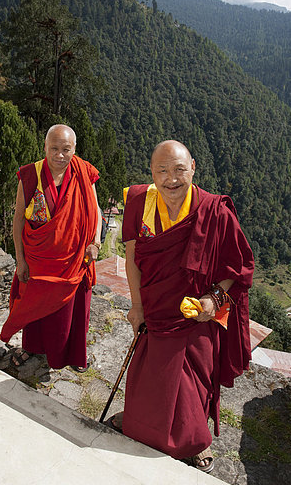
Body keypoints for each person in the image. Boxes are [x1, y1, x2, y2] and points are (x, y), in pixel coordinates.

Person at [106, 140, 254, 473]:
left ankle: (195, 442)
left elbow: (238, 267)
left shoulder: (215, 210)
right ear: (152, 173)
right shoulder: (139, 201)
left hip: (196, 315)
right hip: (156, 308)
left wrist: (213, 300)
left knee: (193, 382)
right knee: (149, 375)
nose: (171, 179)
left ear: (193, 168)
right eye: (162, 171)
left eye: (179, 170)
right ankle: (139, 423)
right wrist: (137, 306)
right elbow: (132, 259)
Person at [0, 124, 102, 372]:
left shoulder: (84, 172)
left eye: (66, 149)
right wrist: (20, 260)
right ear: (45, 147)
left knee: (72, 313)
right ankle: (32, 347)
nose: (60, 155)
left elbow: (95, 210)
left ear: (74, 149)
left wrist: (96, 241)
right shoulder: (30, 175)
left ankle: (73, 354)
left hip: (74, 260)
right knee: (34, 306)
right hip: (39, 259)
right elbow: (19, 220)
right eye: (54, 148)